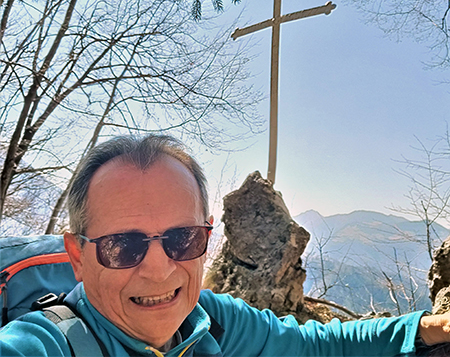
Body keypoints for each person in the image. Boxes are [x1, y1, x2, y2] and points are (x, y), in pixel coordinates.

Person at [1, 134, 450, 357]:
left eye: (182, 239)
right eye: (123, 246)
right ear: (78, 257)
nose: (158, 270)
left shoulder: (209, 321)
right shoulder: (43, 344)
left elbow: (316, 346)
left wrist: (427, 327)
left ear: (208, 237)